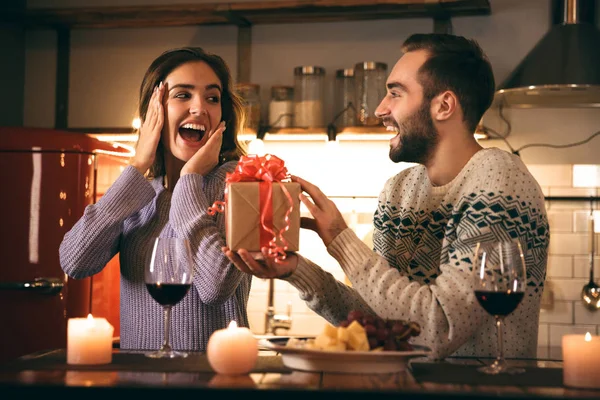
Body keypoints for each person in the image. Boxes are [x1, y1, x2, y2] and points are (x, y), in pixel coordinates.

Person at [223, 33, 549, 360]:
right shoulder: (399, 191)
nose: (380, 109)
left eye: (395, 93)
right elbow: (383, 324)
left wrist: (340, 239)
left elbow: (439, 327)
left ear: (444, 105)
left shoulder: (499, 179)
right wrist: (296, 270)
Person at [60, 47, 252, 352]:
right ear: (154, 109)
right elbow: (75, 261)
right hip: (139, 384)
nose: (199, 108)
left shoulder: (240, 186)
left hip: (215, 383)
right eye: (182, 95)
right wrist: (137, 166)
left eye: (212, 98)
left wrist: (190, 180)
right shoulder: (138, 191)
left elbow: (215, 287)